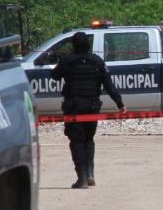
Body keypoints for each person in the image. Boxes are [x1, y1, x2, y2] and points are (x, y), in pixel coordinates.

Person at [52, 31, 125, 188]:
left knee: (76, 141)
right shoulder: (97, 61)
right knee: (88, 139)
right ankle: (90, 174)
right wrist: (120, 104)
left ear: (73, 45)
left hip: (74, 107)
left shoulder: (67, 61)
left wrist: (63, 61)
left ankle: (82, 178)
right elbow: (109, 85)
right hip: (92, 106)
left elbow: (54, 75)